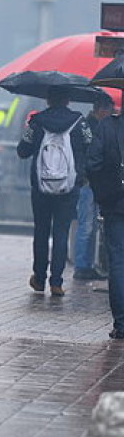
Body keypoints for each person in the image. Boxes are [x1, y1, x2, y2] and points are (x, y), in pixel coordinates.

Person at [17, 89, 92, 297]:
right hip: (69, 187)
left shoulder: (37, 121)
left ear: (48, 99)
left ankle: (39, 278)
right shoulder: (79, 121)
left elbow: (22, 151)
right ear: (68, 100)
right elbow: (90, 145)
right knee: (61, 232)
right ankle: (56, 282)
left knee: (41, 232)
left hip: (41, 187)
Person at [87, 109, 124, 338]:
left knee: (118, 262)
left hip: (115, 204)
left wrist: (103, 193)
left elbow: (92, 164)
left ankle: (121, 324)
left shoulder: (107, 126)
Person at [73, 92, 114, 281]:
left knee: (89, 226)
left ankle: (86, 264)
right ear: (101, 109)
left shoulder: (91, 125)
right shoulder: (91, 128)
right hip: (89, 182)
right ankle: (82, 266)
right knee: (87, 225)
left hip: (92, 182)